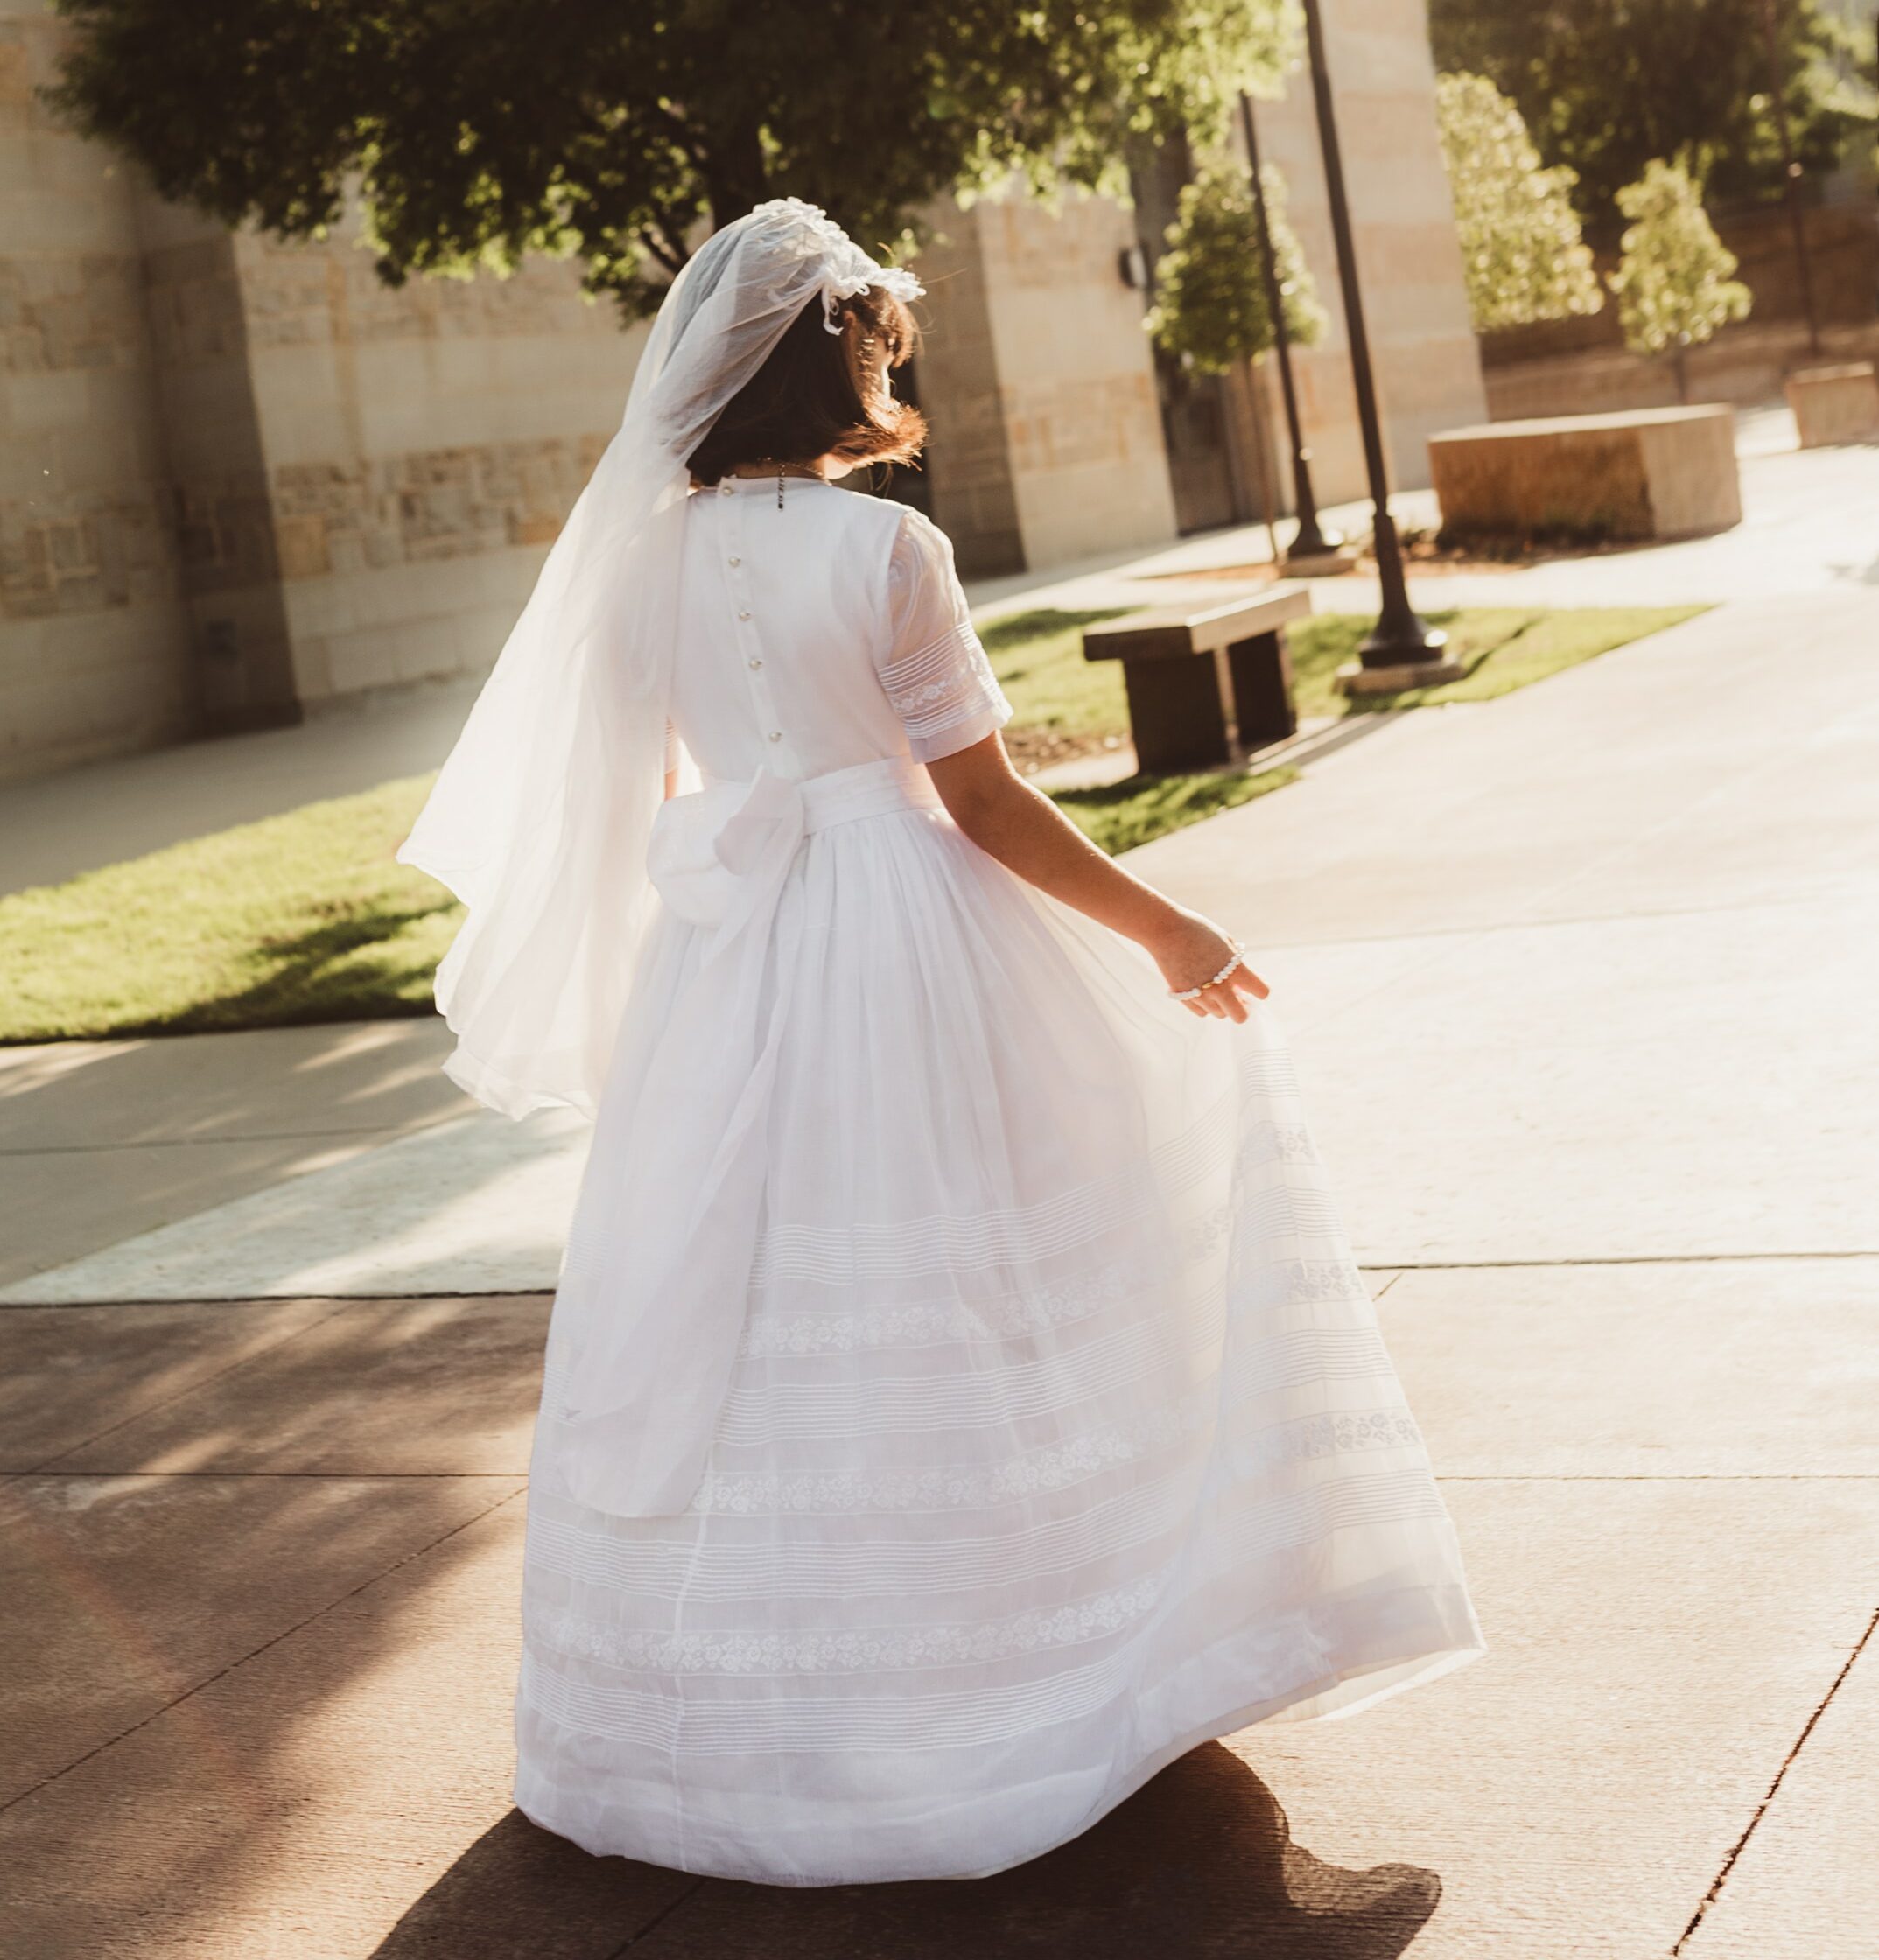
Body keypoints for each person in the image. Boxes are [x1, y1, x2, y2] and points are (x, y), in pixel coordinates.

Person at [401, 200, 1481, 1888]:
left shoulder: (638, 561)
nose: (889, 356)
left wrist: (679, 963)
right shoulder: (888, 549)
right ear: (834, 356)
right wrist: (1166, 930)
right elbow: (980, 802)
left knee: (738, 1300)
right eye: (876, 334)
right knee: (987, 1273)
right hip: (899, 933)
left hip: (727, 952)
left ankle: (723, 1717)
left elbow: (641, 800)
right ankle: (1022, 1664)